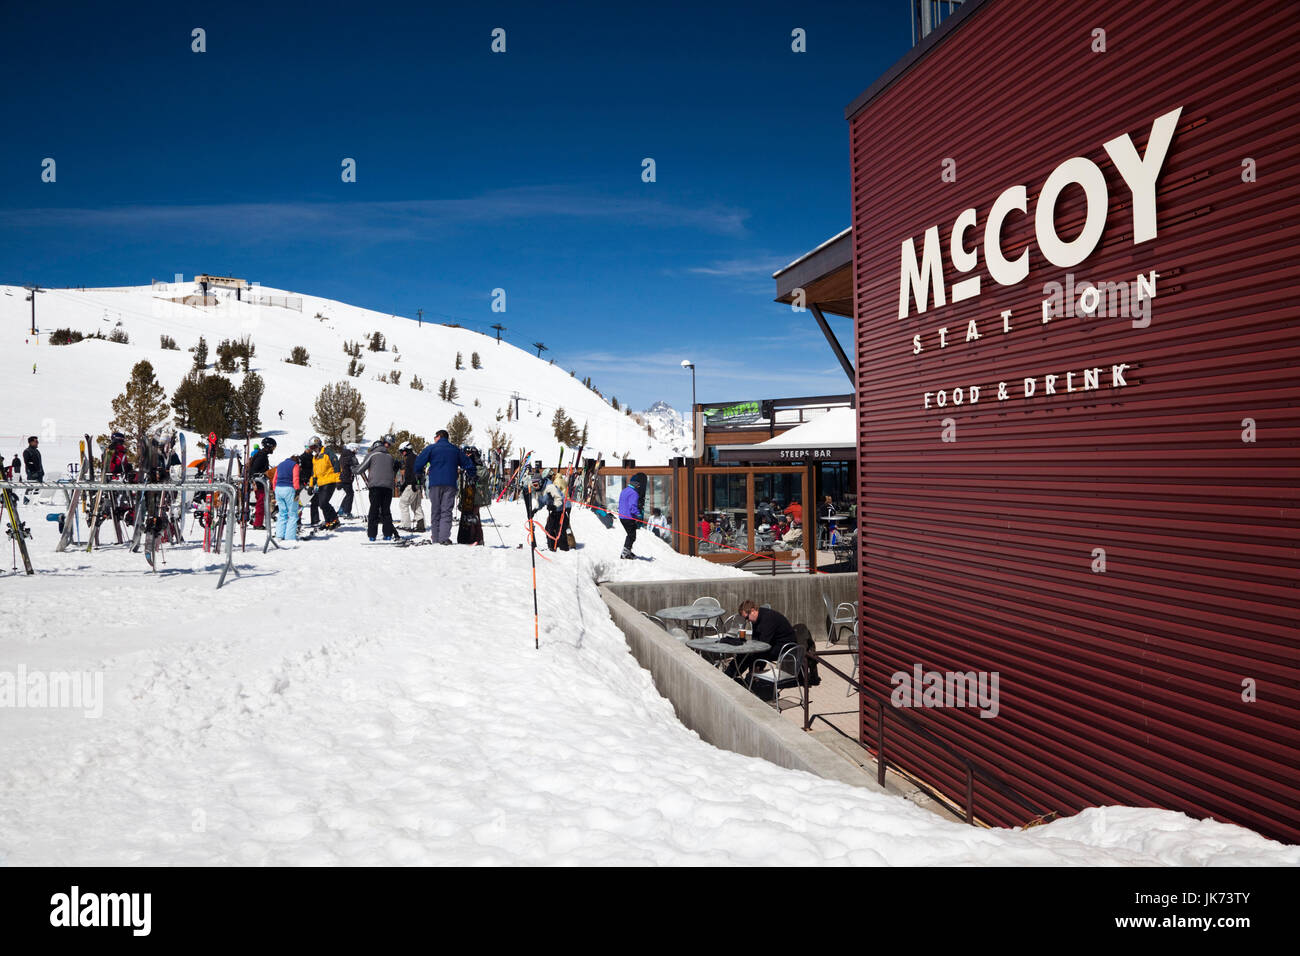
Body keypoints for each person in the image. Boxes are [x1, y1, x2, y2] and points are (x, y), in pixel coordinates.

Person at [734, 599, 818, 686]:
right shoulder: (758, 618)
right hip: (775, 643)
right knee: (747, 654)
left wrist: (755, 666)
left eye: (747, 618)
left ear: (752, 611)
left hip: (786, 648)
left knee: (751, 655)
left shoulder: (767, 618)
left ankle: (746, 678)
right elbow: (756, 639)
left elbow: (763, 645)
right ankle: (733, 675)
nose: (748, 621)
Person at [413, 428, 476, 545]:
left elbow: (419, 461)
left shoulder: (431, 448)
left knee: (435, 510)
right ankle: (444, 538)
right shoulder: (455, 450)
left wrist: (418, 473)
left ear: (439, 437)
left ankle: (436, 538)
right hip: (450, 483)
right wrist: (472, 475)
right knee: (446, 511)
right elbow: (468, 463)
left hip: (434, 484)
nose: (434, 439)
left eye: (435, 437)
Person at [356, 438, 398, 541]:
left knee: (374, 510)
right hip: (388, 487)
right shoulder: (390, 456)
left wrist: (353, 469)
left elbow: (360, 469)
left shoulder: (372, 454)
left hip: (375, 486)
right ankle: (388, 534)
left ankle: (372, 535)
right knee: (386, 511)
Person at [308, 436, 342, 530]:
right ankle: (329, 521)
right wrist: (311, 486)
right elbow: (313, 473)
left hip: (330, 481)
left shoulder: (327, 453)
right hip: (320, 483)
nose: (313, 450)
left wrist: (338, 480)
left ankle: (334, 519)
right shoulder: (315, 458)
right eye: (311, 448)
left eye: (314, 447)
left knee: (323, 503)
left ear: (318, 445)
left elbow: (336, 466)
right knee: (321, 503)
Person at [246, 437, 276, 530]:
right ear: (269, 446)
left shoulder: (261, 454)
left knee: (261, 502)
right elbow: (254, 470)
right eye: (273, 447)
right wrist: (263, 475)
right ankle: (257, 523)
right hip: (259, 483)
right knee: (261, 502)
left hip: (259, 482)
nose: (273, 450)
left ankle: (257, 521)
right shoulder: (261, 456)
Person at [396, 441, 425, 531]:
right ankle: (421, 525)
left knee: (403, 504)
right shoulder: (415, 457)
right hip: (416, 484)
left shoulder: (411, 458)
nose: (402, 453)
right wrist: (404, 485)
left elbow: (413, 472)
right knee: (416, 505)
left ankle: (406, 525)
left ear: (407, 449)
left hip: (412, 485)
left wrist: (412, 483)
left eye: (403, 451)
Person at [617, 472, 645, 559]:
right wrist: (638, 514)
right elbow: (632, 506)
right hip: (628, 517)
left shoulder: (624, 490)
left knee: (630, 535)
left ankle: (627, 551)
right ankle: (625, 554)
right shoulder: (634, 493)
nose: (639, 487)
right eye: (639, 485)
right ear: (636, 484)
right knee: (632, 535)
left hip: (622, 516)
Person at [273, 452, 302, 540]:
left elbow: (274, 479)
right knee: (293, 514)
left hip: (278, 489)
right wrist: (297, 490)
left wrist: (275, 490)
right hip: (289, 489)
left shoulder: (280, 464)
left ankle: (279, 534)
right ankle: (290, 537)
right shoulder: (295, 465)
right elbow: (296, 478)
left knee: (282, 513)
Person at [337, 443, 359, 518]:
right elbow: (356, 465)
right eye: (356, 449)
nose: (357, 451)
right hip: (346, 478)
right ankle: (346, 512)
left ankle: (341, 510)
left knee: (348, 494)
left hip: (342, 478)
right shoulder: (350, 456)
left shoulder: (344, 454)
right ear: (352, 448)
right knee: (350, 494)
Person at [21, 435, 43, 503]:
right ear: (30, 442)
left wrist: (41, 471)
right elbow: (28, 463)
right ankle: (26, 501)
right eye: (35, 441)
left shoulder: (37, 451)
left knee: (37, 488)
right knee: (30, 487)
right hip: (32, 474)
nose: (37, 443)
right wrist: (33, 471)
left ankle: (35, 501)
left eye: (37, 441)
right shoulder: (27, 451)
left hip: (39, 473)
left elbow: (39, 463)